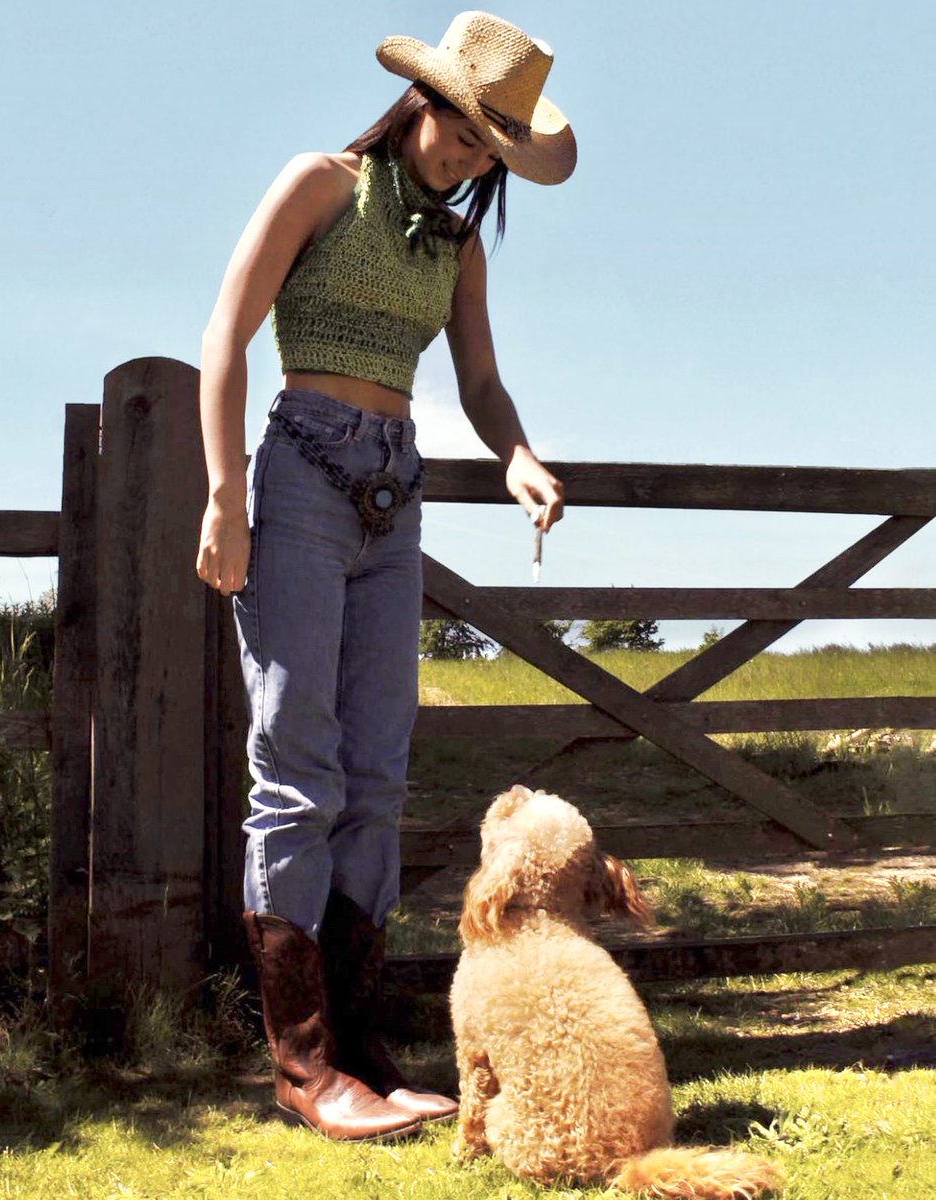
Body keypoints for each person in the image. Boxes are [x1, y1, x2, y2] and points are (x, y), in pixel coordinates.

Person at [195, 10, 575, 1143]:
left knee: (379, 768)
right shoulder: (322, 183)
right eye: (459, 133)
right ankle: (303, 1068)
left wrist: (518, 453)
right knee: (296, 769)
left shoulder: (454, 245)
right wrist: (224, 497)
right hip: (300, 478)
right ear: (423, 101)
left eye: (486, 151)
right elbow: (225, 333)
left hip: (392, 497)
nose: (464, 159)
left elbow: (480, 381)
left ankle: (359, 1047)